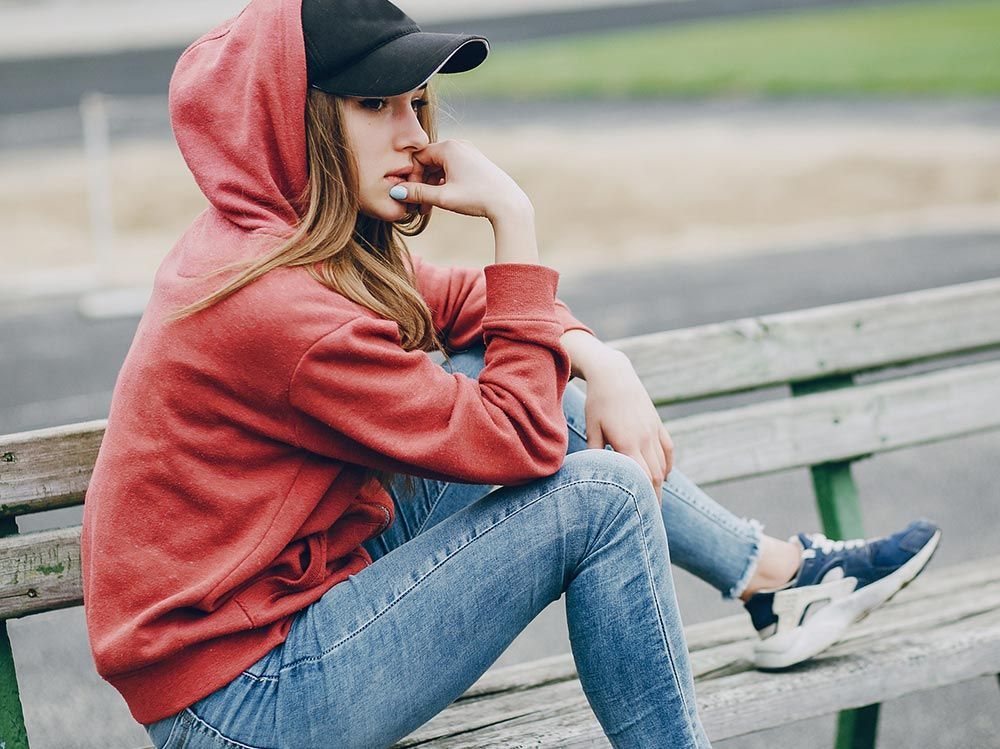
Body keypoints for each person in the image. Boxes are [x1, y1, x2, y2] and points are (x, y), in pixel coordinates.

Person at [79, 0, 942, 747]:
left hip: (284, 606)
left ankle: (771, 580)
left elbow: (464, 308)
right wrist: (513, 219)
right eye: (375, 104)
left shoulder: (278, 243)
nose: (415, 136)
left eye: (416, 103)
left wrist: (604, 356)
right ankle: (771, 589)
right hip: (241, 704)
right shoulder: (274, 306)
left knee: (488, 363)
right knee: (599, 498)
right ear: (290, 116)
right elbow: (520, 440)